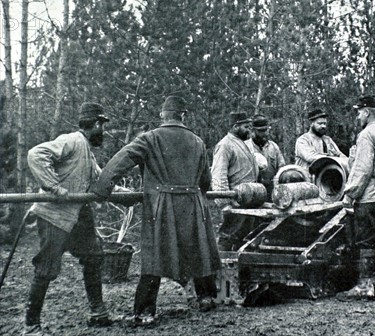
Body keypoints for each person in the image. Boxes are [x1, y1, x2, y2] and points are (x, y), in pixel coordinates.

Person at [92, 96, 221, 326]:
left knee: (155, 257)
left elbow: (120, 161)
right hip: (192, 204)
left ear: (163, 115)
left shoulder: (149, 139)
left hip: (162, 207)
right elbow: (206, 181)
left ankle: (145, 311)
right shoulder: (198, 142)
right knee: (197, 247)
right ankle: (206, 298)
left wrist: (102, 190)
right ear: (183, 116)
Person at [24, 102, 113, 335]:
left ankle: (98, 312)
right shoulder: (72, 140)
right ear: (95, 124)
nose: (103, 132)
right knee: (47, 268)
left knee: (93, 257)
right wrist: (53, 187)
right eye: (102, 126)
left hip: (77, 214)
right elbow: (36, 154)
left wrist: (127, 195)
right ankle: (31, 325)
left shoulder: (88, 154)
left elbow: (100, 181)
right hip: (53, 215)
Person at [337, 95, 375, 301]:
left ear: (367, 112)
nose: (357, 116)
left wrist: (349, 194)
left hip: (369, 196)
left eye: (359, 112)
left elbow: (362, 169)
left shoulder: (366, 135)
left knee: (365, 240)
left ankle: (366, 286)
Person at [211, 112, 259, 251]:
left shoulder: (242, 144)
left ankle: (237, 271)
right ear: (235, 127)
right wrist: (224, 203)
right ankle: (218, 268)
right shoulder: (225, 145)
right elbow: (219, 175)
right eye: (246, 127)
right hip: (234, 202)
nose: (249, 130)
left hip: (247, 201)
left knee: (244, 239)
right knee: (228, 237)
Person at [244, 114, 286, 198]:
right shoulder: (245, 147)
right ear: (253, 131)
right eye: (261, 131)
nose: (265, 133)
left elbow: (282, 168)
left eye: (266, 130)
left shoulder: (273, 147)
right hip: (252, 192)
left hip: (272, 192)